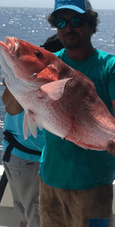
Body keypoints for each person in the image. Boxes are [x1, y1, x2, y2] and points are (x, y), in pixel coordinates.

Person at [38, 0, 115, 227]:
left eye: (76, 21)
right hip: (50, 178)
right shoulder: (49, 62)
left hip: (94, 183)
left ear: (91, 24)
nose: (68, 28)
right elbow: (12, 109)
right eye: (61, 22)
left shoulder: (112, 66)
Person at [1, 33, 64, 227]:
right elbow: (11, 107)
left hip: (19, 156)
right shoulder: (37, 76)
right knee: (36, 218)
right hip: (28, 159)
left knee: (27, 217)